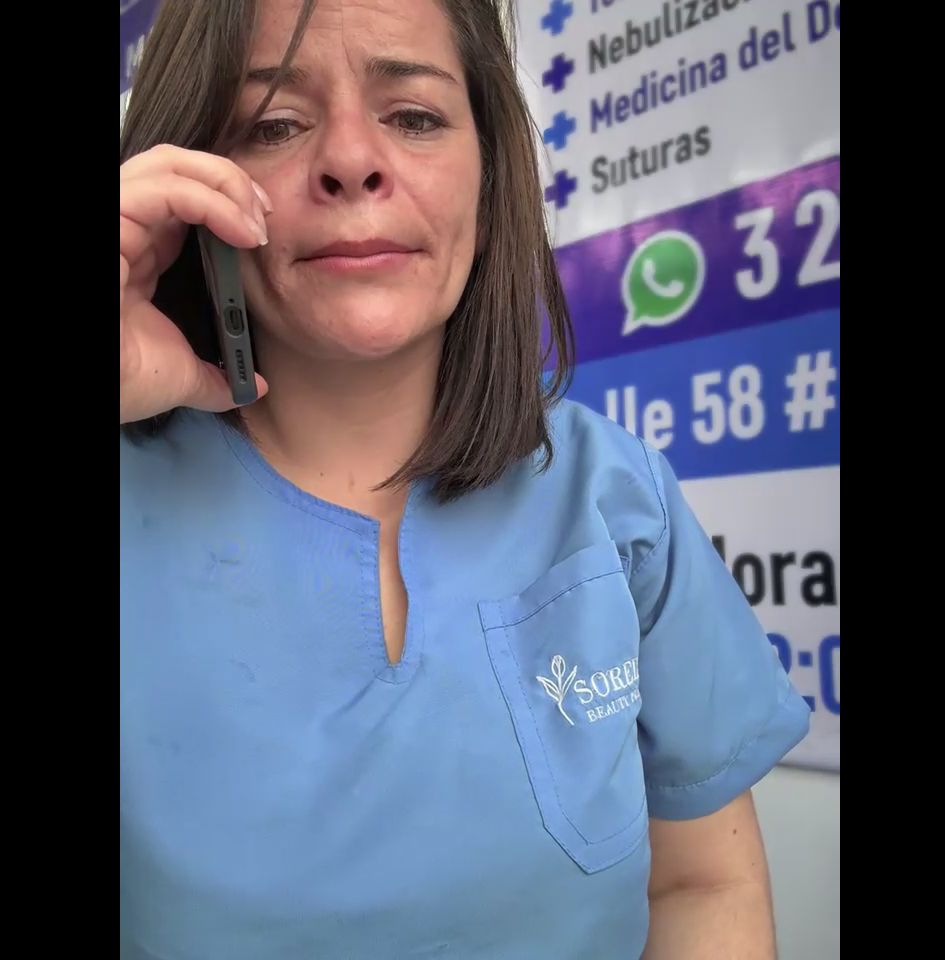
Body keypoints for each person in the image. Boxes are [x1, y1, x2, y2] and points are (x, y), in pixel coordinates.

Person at [119, 1, 811, 957]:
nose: (351, 159)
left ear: (490, 176)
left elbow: (703, 884)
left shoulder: (617, 497)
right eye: (274, 123)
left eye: (414, 116)